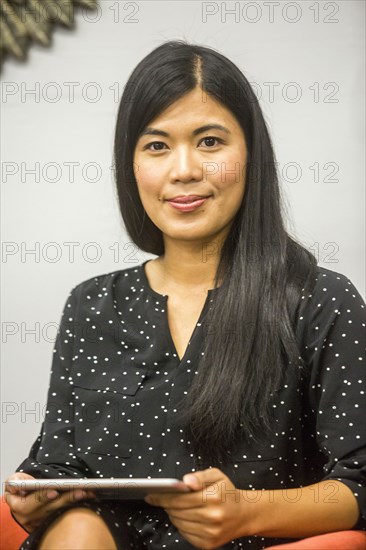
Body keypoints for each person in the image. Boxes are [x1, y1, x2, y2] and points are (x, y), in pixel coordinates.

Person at [5, 39, 366, 550]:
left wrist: (246, 511)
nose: (184, 170)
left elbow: (359, 482)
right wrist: (35, 494)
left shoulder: (319, 300)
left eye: (210, 142)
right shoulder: (90, 305)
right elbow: (57, 465)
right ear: (131, 166)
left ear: (251, 154)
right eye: (156, 146)